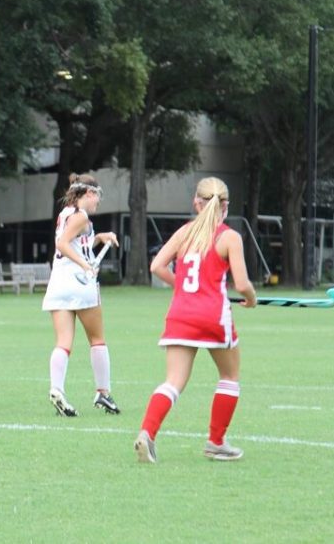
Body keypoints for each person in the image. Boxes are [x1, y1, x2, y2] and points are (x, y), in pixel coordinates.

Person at [135, 177, 257, 464]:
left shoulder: (184, 233)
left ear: (196, 203)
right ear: (225, 207)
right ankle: (216, 442)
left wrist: (180, 286)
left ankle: (147, 433)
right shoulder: (229, 237)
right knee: (229, 376)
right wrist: (251, 298)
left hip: (180, 314)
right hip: (213, 316)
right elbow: (241, 284)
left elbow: (156, 266)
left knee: (173, 381)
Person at [42, 174, 120, 417]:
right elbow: (64, 245)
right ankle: (103, 393)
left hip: (58, 283)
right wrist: (85, 266)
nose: (98, 202)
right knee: (97, 339)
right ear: (89, 194)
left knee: (63, 342)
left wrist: (99, 237)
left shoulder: (66, 213)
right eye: (98, 196)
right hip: (80, 282)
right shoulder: (81, 215)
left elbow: (77, 241)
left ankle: (57, 390)